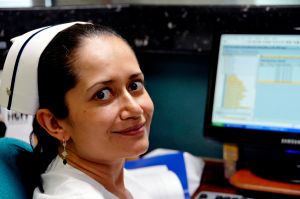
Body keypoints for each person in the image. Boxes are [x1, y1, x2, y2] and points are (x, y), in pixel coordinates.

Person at [0, 22, 160, 199]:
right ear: (54, 124)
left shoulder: (119, 181)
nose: (135, 109)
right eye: (102, 94)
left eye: (134, 85)